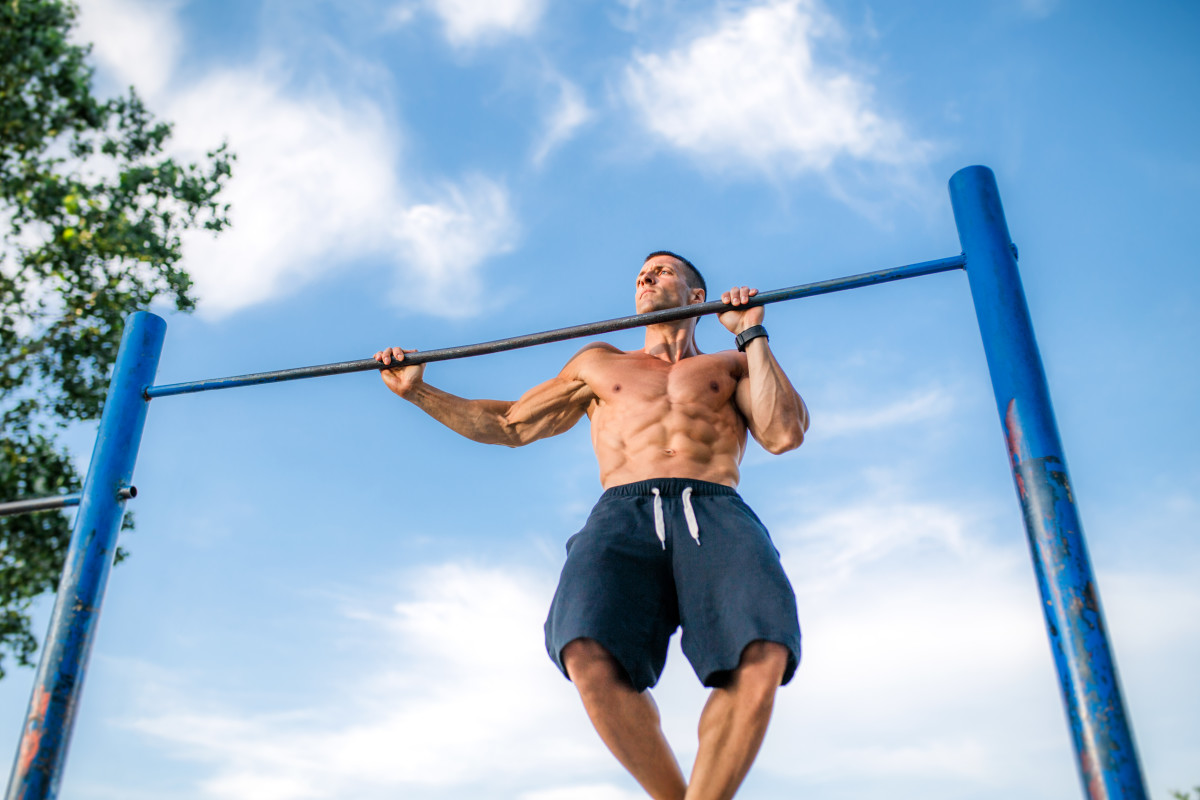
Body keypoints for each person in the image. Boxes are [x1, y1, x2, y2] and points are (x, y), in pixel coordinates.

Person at [373, 251, 809, 800]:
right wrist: (418, 391)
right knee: (585, 648)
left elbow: (782, 433)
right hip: (622, 510)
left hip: (714, 504)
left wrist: (753, 334)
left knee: (761, 650)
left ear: (699, 298)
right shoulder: (600, 363)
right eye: (640, 275)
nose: (646, 278)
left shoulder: (732, 364)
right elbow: (509, 425)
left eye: (662, 271)